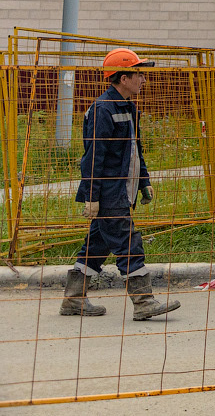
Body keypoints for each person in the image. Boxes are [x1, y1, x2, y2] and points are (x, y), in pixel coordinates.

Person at [60, 49, 180, 321]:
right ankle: (144, 301)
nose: (143, 80)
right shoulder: (103, 109)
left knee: (97, 245)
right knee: (129, 242)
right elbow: (94, 155)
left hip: (123, 189)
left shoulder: (128, 107)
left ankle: (72, 299)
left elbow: (135, 150)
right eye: (138, 74)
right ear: (123, 78)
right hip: (109, 190)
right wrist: (91, 195)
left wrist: (144, 182)